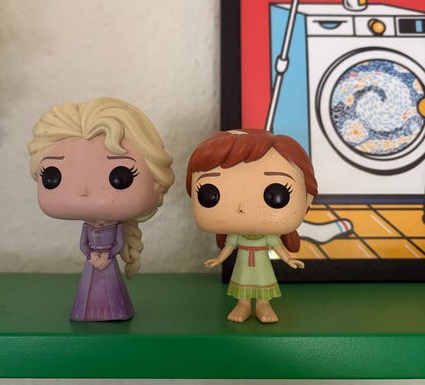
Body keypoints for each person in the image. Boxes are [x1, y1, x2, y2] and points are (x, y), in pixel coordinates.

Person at [29, 97, 174, 321]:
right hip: (94, 258)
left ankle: (116, 310)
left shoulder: (115, 228)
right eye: (52, 175)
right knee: (91, 286)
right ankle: (86, 311)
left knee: (109, 286)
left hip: (105, 258)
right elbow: (83, 243)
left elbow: (118, 243)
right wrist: (90, 256)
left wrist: (107, 256)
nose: (84, 191)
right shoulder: (88, 228)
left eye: (120, 176)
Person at [186, 129, 317, 323]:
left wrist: (289, 259)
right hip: (243, 266)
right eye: (209, 194)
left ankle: (264, 305)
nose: (242, 208)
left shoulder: (268, 237)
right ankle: (243, 305)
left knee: (263, 285)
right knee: (242, 286)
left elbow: (279, 248)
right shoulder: (237, 237)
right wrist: (219, 259)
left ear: (308, 198)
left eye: (276, 194)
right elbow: (229, 247)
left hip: (262, 266)